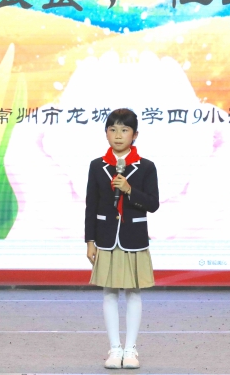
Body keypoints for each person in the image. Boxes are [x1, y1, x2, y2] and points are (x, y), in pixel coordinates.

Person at [84, 108, 159, 369]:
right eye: (113, 130)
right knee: (109, 292)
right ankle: (114, 348)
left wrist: (129, 190)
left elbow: (153, 204)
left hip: (133, 237)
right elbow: (91, 205)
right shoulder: (97, 166)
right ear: (106, 133)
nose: (118, 135)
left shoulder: (146, 167)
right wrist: (90, 241)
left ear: (134, 135)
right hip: (105, 238)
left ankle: (131, 349)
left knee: (133, 292)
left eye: (124, 130)